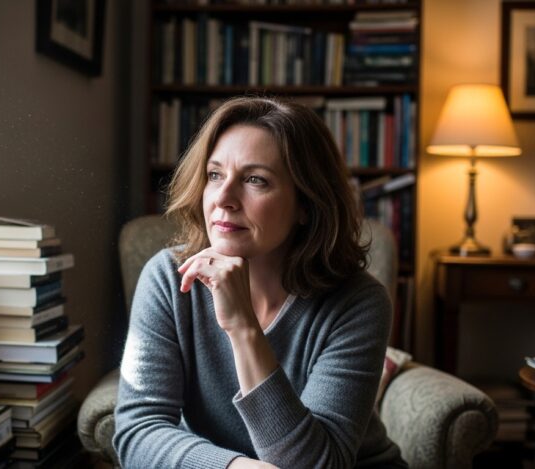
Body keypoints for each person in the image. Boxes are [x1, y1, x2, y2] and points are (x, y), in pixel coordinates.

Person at [113, 97, 405, 468]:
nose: (223, 198)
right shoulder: (169, 280)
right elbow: (138, 432)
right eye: (215, 175)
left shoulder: (358, 302)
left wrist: (243, 328)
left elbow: (319, 465)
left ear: (306, 204)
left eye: (255, 180)